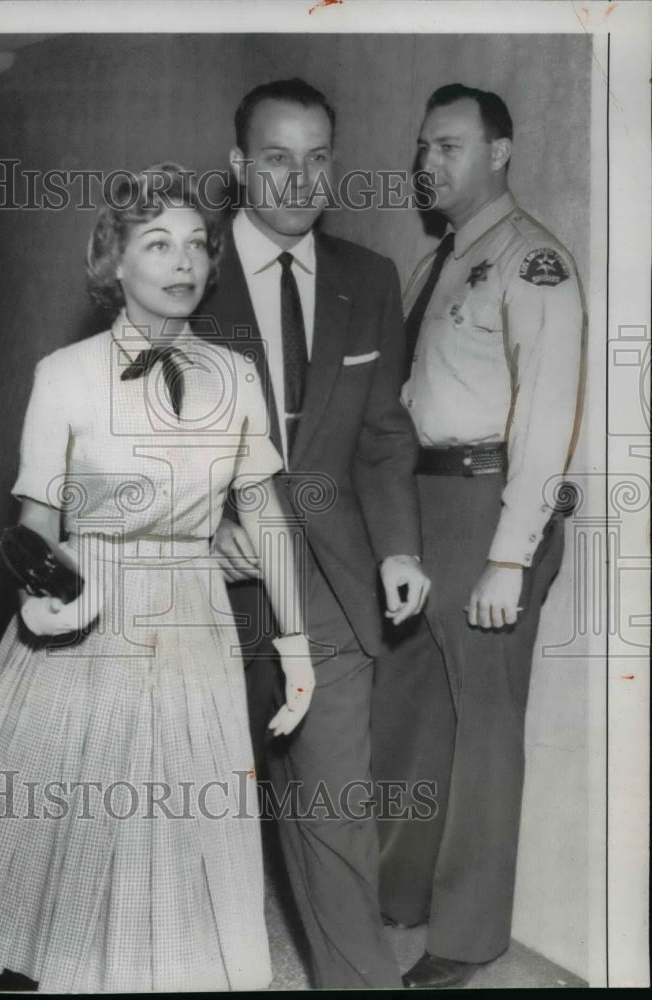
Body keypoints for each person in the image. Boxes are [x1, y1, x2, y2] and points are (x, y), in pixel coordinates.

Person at [0, 163, 314, 993]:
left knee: (181, 815)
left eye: (194, 245)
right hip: (91, 605)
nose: (181, 262)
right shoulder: (63, 372)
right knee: (60, 821)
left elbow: (268, 518)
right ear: (115, 265)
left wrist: (295, 644)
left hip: (193, 616)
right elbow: (37, 520)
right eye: (156, 244)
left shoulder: (238, 377)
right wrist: (44, 594)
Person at [204, 78, 430, 989]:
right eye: (275, 158)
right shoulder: (181, 267)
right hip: (204, 590)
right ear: (237, 167)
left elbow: (380, 437)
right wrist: (203, 521)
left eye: (316, 158)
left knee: (334, 807)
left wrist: (400, 548)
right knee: (188, 810)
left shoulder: (368, 280)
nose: (299, 180)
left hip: (332, 586)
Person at [371, 84, 586, 989]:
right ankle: (398, 889)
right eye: (423, 147)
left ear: (499, 151)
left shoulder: (533, 262)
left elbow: (543, 412)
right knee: (412, 711)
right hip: (424, 506)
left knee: (483, 728)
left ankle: (466, 935)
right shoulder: (436, 265)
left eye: (450, 146)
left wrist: (509, 554)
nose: (430, 163)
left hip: (490, 505)